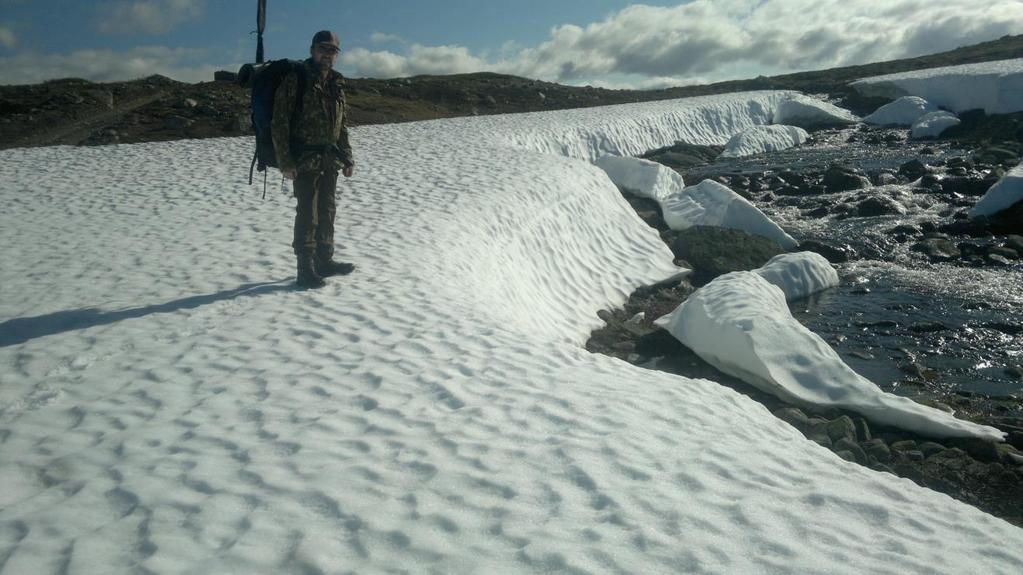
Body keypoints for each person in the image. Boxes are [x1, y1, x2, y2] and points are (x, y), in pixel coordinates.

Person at [272, 30, 356, 289]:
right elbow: (279, 122)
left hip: (330, 160)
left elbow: (340, 125)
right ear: (312, 50)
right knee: (308, 213)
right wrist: (285, 161)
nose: (327, 54)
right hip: (304, 159)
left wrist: (348, 157)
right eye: (323, 48)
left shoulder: (336, 83)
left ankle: (324, 260)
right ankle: (305, 268)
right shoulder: (296, 79)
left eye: (332, 50)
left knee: (327, 210)